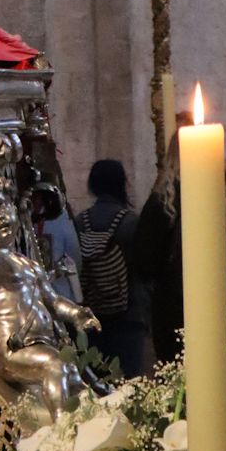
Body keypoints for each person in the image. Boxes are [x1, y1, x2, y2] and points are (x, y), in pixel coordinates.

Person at [131, 119, 226, 363]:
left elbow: (144, 262)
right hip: (217, 309)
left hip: (173, 313)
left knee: (179, 387)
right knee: (217, 382)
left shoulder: (161, 204)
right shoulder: (224, 205)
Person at [74, 159, 150, 378]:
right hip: (128, 317)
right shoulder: (131, 223)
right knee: (128, 386)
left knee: (95, 385)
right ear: (122, 184)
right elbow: (144, 268)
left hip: (92, 315)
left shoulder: (80, 222)